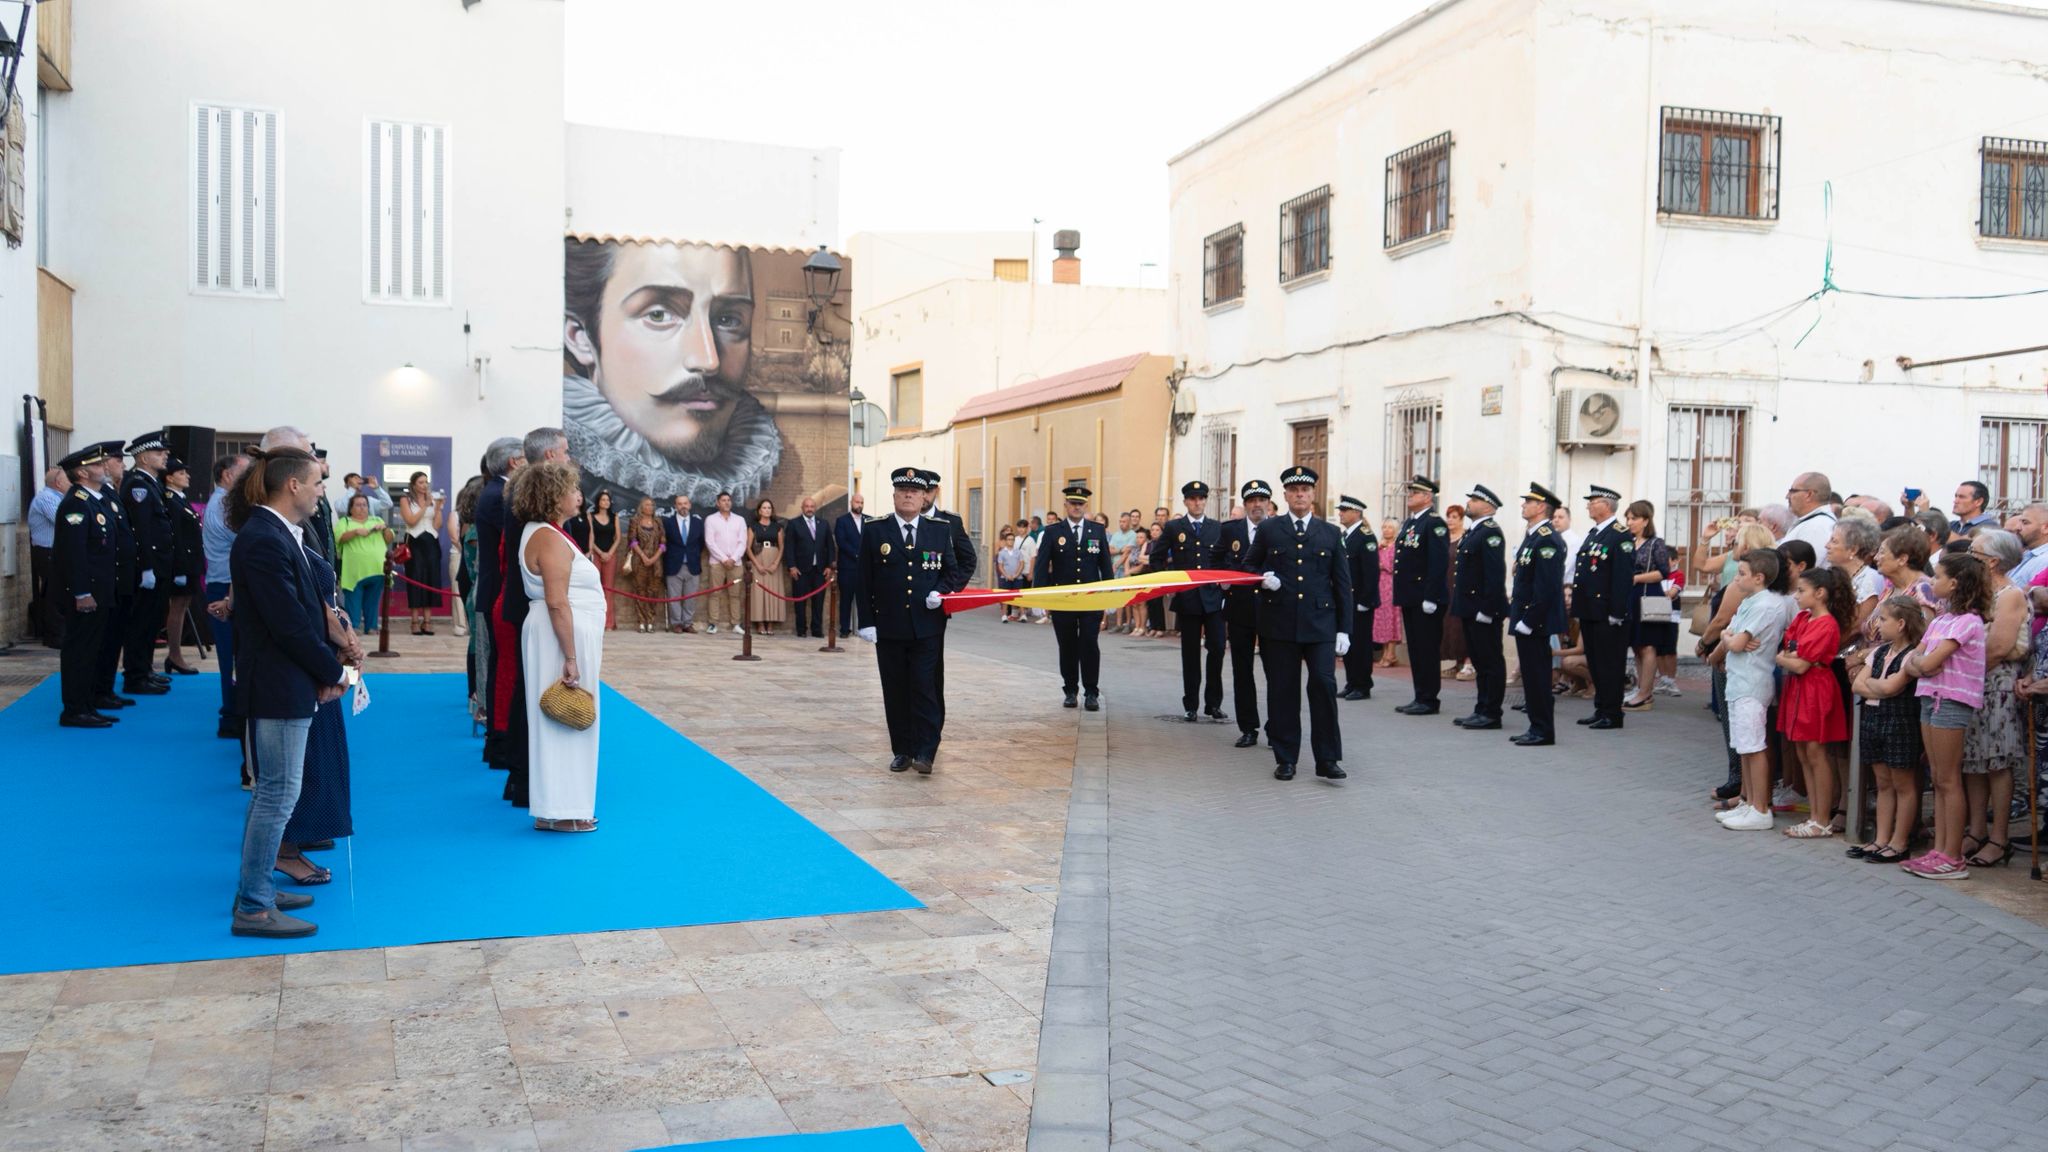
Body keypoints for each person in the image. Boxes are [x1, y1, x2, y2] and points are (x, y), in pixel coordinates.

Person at [563, 240, 782, 511]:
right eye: (658, 314)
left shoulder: (741, 492)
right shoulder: (567, 489)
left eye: (728, 319)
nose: (708, 360)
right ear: (580, 338)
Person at [227, 444, 347, 939]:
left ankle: (256, 890)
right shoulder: (263, 538)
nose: (323, 492)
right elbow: (289, 624)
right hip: (278, 683)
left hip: (285, 679)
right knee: (277, 795)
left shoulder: (277, 533)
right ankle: (254, 906)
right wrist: (331, 670)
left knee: (275, 794)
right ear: (293, 485)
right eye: (318, 482)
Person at [856, 467, 970, 774]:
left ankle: (925, 751)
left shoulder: (939, 528)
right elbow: (863, 578)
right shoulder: (876, 529)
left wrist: (943, 591)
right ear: (894, 495)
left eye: (915, 491)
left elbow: (953, 569)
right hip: (889, 625)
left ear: (924, 497)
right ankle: (902, 750)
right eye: (903, 490)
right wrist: (866, 621)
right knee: (895, 689)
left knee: (924, 687)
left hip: (927, 625)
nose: (909, 495)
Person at [515, 461, 607, 831]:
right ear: (554, 496)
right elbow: (557, 601)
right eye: (572, 489)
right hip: (560, 636)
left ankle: (562, 806)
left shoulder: (550, 533)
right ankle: (563, 810)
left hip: (562, 633)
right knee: (566, 715)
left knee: (564, 718)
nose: (579, 496)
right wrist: (570, 656)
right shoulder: (547, 538)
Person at [1247, 465, 1352, 781]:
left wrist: (1345, 628)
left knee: (1323, 684)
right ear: (1286, 495)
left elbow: (1342, 583)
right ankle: (1286, 757)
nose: (1300, 495)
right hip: (1279, 624)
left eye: (1305, 490)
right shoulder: (1270, 530)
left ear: (1312, 495)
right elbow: (1248, 566)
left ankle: (1328, 758)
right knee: (1283, 691)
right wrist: (1262, 580)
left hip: (1320, 624)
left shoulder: (1331, 533)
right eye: (1294, 491)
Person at [488, 425, 572, 810]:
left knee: (526, 690)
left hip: (526, 605)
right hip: (530, 608)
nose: (569, 458)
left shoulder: (521, 492)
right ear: (552, 456)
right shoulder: (530, 501)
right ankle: (525, 774)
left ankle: (524, 773)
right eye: (566, 452)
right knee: (529, 692)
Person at [1902, 551, 1993, 879]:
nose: (1932, 582)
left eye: (1938, 576)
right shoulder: (1940, 620)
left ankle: (1952, 856)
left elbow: (1925, 663)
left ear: (1954, 583)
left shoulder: (1968, 622)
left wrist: (1922, 664)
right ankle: (1938, 850)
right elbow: (1916, 659)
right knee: (1938, 778)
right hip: (1930, 697)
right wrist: (1921, 664)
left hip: (1951, 701)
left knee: (1949, 778)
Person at [1961, 530, 2028, 868]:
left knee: (1997, 761)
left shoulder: (2010, 595)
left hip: (1996, 685)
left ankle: (1999, 837)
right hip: (1971, 683)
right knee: (1972, 761)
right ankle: (1975, 830)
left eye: (1973, 551)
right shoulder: (1975, 593)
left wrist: (1961, 671)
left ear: (1992, 560)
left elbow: (1999, 647)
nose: (1967, 555)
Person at [1716, 550, 1795, 831]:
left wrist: (1730, 638)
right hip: (1739, 681)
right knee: (1744, 747)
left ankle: (1761, 808)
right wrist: (1729, 637)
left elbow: (1737, 643)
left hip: (1752, 682)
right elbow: (1730, 634)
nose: (1737, 579)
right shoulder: (1750, 601)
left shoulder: (1767, 605)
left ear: (1759, 578)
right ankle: (1748, 803)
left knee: (1754, 746)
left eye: (1742, 574)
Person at [1776, 568, 1854, 839]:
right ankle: (1814, 815)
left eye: (1801, 590)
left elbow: (1798, 662)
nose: (1796, 596)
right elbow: (1790, 649)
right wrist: (1790, 657)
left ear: (1819, 593)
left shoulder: (1826, 623)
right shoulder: (1803, 618)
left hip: (1815, 689)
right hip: (1801, 688)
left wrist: (1788, 658)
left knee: (1816, 753)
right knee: (1803, 753)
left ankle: (1822, 818)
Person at [1850, 597, 1927, 864]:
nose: (1878, 625)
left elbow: (1892, 688)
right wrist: (1877, 686)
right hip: (1873, 719)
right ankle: (1881, 838)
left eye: (1883, 619)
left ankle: (1900, 840)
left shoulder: (1913, 654)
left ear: (1902, 623)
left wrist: (1874, 685)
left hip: (1900, 722)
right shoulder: (1879, 652)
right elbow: (1857, 685)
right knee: (1882, 782)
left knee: (1902, 783)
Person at [52, 446, 120, 728]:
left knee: (93, 650)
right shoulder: (77, 503)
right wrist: (81, 592)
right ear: (82, 472)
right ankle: (75, 709)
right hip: (86, 592)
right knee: (79, 651)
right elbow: (74, 553)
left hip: (101, 589)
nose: (105, 466)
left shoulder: (97, 500)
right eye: (98, 464)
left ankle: (87, 703)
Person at [1153, 481, 1229, 722]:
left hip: (1213, 598)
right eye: (1193, 499)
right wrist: (1167, 584)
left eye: (1201, 499)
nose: (1197, 503)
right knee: (1190, 654)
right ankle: (1191, 704)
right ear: (1185, 501)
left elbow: (1225, 559)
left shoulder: (1217, 527)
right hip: (1188, 599)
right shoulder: (1175, 527)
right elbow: (1157, 558)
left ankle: (1213, 703)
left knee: (1217, 648)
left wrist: (1225, 585)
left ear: (1206, 501)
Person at [1034, 484, 1115, 710]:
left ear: (1086, 506)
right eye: (1073, 503)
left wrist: (1109, 597)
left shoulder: (1097, 531)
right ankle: (1070, 689)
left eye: (1081, 504)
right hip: (1064, 599)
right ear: (1066, 505)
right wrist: (1038, 599)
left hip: (1091, 599)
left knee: (1089, 643)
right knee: (1067, 645)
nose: (1077, 507)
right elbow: (1041, 567)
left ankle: (1091, 692)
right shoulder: (1052, 532)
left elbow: (1105, 566)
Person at [1572, 485, 1637, 730]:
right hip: (1591, 610)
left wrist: (1617, 613)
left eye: (1593, 501)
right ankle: (1601, 708)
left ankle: (1613, 713)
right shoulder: (1594, 533)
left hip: (1608, 612)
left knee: (1610, 664)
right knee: (1597, 662)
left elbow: (1622, 577)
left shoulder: (1620, 534)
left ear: (1607, 506)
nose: (1588, 504)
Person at [1509, 483, 1568, 746]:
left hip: (1535, 621)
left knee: (1538, 677)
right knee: (1532, 678)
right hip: (1526, 617)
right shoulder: (1533, 536)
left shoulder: (1547, 538)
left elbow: (1546, 587)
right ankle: (1536, 726)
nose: (1523, 505)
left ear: (1541, 506)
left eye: (1528, 501)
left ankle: (1543, 730)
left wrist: (1529, 621)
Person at [120, 431, 177, 696]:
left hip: (160, 564)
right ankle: (135, 676)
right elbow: (141, 529)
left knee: (152, 622)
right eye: (159, 453)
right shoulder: (137, 485)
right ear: (143, 457)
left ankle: (145, 670)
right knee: (141, 623)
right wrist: (146, 567)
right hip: (149, 565)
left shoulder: (150, 482)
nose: (164, 456)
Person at [1448, 485, 1510, 728]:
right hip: (1470, 607)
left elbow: (1494, 575)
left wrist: (1487, 608)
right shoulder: (1474, 531)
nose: (1469, 503)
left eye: (1474, 500)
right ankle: (1481, 707)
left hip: (1483, 609)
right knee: (1479, 660)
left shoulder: (1491, 532)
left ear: (1487, 506)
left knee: (1490, 660)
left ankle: (1492, 712)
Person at [1219, 480, 1272, 748]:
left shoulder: (1280, 528)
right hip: (1239, 608)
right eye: (1251, 500)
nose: (1256, 505)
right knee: (1242, 671)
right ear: (1245, 504)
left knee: (1277, 671)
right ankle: (1249, 727)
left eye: (1261, 500)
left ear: (1269, 503)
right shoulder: (1231, 531)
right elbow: (1215, 559)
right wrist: (1221, 580)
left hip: (1272, 608)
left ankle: (1276, 727)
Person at [1392, 476, 1450, 715]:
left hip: (1425, 598)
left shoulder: (1434, 524)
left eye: (1415, 492)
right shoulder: (1410, 523)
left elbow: (1438, 563)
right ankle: (1419, 695)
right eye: (1410, 492)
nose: (1410, 496)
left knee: (1426, 649)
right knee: (1415, 649)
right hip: (1410, 596)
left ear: (1428, 497)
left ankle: (1429, 699)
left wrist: (1431, 596)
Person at [204, 454, 251, 741]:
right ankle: (231, 717)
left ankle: (234, 713)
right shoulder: (223, 505)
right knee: (231, 655)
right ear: (226, 475)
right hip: (224, 586)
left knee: (236, 653)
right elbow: (243, 538)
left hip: (227, 582)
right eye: (244, 473)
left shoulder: (227, 503)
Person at [1621, 501, 1676, 710]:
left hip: (1647, 595)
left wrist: (1636, 578)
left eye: (1634, 518)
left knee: (1648, 644)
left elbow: (1664, 572)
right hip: (1631, 597)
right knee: (1636, 645)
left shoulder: (1656, 543)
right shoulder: (1628, 541)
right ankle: (1642, 689)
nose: (1629, 522)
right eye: (1628, 518)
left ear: (1645, 520)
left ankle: (1645, 693)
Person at [160, 458, 206, 675]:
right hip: (182, 564)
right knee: (177, 608)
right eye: (181, 473)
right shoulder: (170, 500)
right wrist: (178, 568)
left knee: (183, 605)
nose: (187, 476)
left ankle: (175, 655)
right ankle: (175, 655)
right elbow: (175, 536)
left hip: (191, 563)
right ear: (169, 477)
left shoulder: (180, 499)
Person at [1336, 495, 1380, 700]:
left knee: (1361, 644)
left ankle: (1363, 684)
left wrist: (1366, 600)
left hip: (1361, 600)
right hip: (1348, 599)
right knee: (1349, 644)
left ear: (1356, 513)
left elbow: (1371, 572)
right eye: (1340, 510)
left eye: (1345, 510)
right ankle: (1351, 681)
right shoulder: (1346, 535)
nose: (1341, 514)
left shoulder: (1366, 536)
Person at [332, 493, 392, 633]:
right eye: (358, 505)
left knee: (373, 601)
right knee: (353, 600)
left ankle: (371, 626)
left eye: (364, 505)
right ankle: (353, 626)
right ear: (351, 508)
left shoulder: (376, 519)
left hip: (377, 569)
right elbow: (338, 539)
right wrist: (355, 532)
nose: (362, 508)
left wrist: (384, 528)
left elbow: (389, 539)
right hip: (354, 571)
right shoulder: (345, 522)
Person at [395, 473, 446, 636]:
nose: (424, 485)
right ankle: (415, 621)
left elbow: (437, 525)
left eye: (426, 482)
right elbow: (411, 520)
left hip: (431, 542)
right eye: (421, 482)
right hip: (415, 542)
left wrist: (437, 508)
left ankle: (428, 621)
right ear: (414, 484)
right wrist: (425, 505)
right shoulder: (406, 499)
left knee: (431, 579)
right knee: (416, 579)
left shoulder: (434, 498)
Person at [784, 496, 836, 639]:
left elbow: (830, 547)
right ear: (802, 508)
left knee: (818, 601)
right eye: (807, 506)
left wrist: (829, 566)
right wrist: (791, 566)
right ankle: (801, 629)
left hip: (819, 570)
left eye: (812, 506)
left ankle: (817, 629)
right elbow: (789, 547)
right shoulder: (794, 524)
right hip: (800, 570)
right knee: (800, 601)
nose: (809, 509)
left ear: (815, 508)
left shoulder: (823, 524)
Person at [28, 464, 66, 648]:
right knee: (53, 592)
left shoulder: (60, 497)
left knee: (57, 591)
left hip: (55, 550)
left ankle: (59, 632)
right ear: (58, 483)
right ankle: (54, 635)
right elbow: (62, 521)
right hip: (47, 551)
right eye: (67, 479)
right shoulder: (47, 498)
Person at [703, 491, 748, 635]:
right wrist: (723, 559)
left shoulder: (740, 520)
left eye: (729, 500)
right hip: (717, 562)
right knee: (714, 593)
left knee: (735, 594)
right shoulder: (711, 520)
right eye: (723, 500)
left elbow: (743, 542)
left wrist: (733, 559)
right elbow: (710, 542)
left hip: (736, 563)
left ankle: (736, 624)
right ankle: (713, 623)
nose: (726, 502)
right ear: (718, 503)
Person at [615, 496, 661, 633]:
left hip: (656, 562)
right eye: (647, 505)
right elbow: (632, 540)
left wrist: (653, 558)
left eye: (652, 505)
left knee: (653, 592)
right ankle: (641, 621)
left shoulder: (658, 522)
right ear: (642, 507)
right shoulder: (635, 521)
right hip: (639, 561)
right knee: (639, 591)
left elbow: (663, 543)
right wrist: (643, 556)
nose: (650, 507)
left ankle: (651, 621)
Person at [661, 495, 704, 633]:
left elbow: (701, 543)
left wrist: (694, 555)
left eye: (685, 503)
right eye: (680, 504)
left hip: (692, 564)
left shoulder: (698, 523)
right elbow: (664, 542)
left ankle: (687, 623)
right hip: (674, 565)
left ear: (690, 505)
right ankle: (677, 623)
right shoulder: (668, 522)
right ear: (675, 506)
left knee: (690, 597)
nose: (683, 506)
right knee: (674, 597)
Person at [748, 497, 787, 635]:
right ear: (759, 510)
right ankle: (759, 623)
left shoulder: (778, 527)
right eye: (764, 508)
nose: (767, 510)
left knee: (773, 590)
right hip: (758, 558)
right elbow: (747, 548)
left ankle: (770, 623)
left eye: (769, 508)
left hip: (773, 558)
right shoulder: (753, 526)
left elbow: (782, 546)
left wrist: (776, 563)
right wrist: (757, 564)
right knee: (758, 591)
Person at [1442, 503, 1471, 682]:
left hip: (1460, 587)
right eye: (1449, 517)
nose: (1450, 521)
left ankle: (1469, 662)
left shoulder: (1466, 537)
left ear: (1461, 519)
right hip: (1446, 587)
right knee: (1449, 626)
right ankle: (1457, 662)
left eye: (1454, 517)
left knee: (1461, 626)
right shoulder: (1444, 538)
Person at [585, 489, 621, 631]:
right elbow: (590, 536)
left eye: (607, 500)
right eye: (602, 500)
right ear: (598, 502)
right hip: (596, 554)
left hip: (610, 555)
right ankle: (593, 621)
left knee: (608, 588)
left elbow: (618, 538)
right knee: (594, 588)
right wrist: (600, 553)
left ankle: (609, 622)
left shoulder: (615, 517)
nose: (605, 502)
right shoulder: (591, 516)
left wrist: (609, 553)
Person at [1785, 472, 1839, 565]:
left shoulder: (1817, 526)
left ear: (1809, 495)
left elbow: (1807, 569)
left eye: (1793, 491)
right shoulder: (1812, 522)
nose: (1787, 496)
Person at [834, 493, 866, 637]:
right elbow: (841, 542)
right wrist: (857, 555)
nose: (859, 505)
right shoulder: (842, 521)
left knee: (863, 601)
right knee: (846, 600)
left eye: (861, 502)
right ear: (851, 503)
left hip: (864, 570)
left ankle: (863, 628)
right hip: (847, 567)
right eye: (857, 502)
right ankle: (845, 629)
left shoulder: (869, 520)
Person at [1373, 518, 1403, 666]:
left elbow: (1394, 566)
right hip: (1380, 584)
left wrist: (1380, 564)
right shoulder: (1381, 546)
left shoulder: (1397, 546)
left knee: (1391, 618)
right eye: (1384, 527)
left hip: (1391, 585)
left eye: (1390, 527)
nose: (1386, 530)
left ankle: (1391, 653)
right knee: (1382, 618)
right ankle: (1385, 653)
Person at [1109, 511, 1139, 633]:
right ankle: (1118, 623)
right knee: (1117, 597)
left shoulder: (1133, 535)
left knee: (1126, 597)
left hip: (1125, 569)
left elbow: (1128, 552)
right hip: (1116, 569)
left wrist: (1117, 563)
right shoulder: (1116, 535)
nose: (1122, 524)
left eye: (1124, 522)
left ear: (1129, 522)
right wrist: (1120, 550)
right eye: (1120, 522)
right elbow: (1110, 549)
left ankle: (1127, 623)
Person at [995, 528, 1027, 621]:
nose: (1011, 541)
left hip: (1017, 577)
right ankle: (1004, 615)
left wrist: (1017, 574)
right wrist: (1006, 575)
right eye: (1009, 539)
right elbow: (1000, 566)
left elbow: (1021, 563)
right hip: (1006, 578)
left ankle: (1022, 615)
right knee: (1005, 597)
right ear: (1005, 541)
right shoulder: (1002, 553)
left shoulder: (1018, 551)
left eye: (1012, 539)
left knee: (1018, 596)